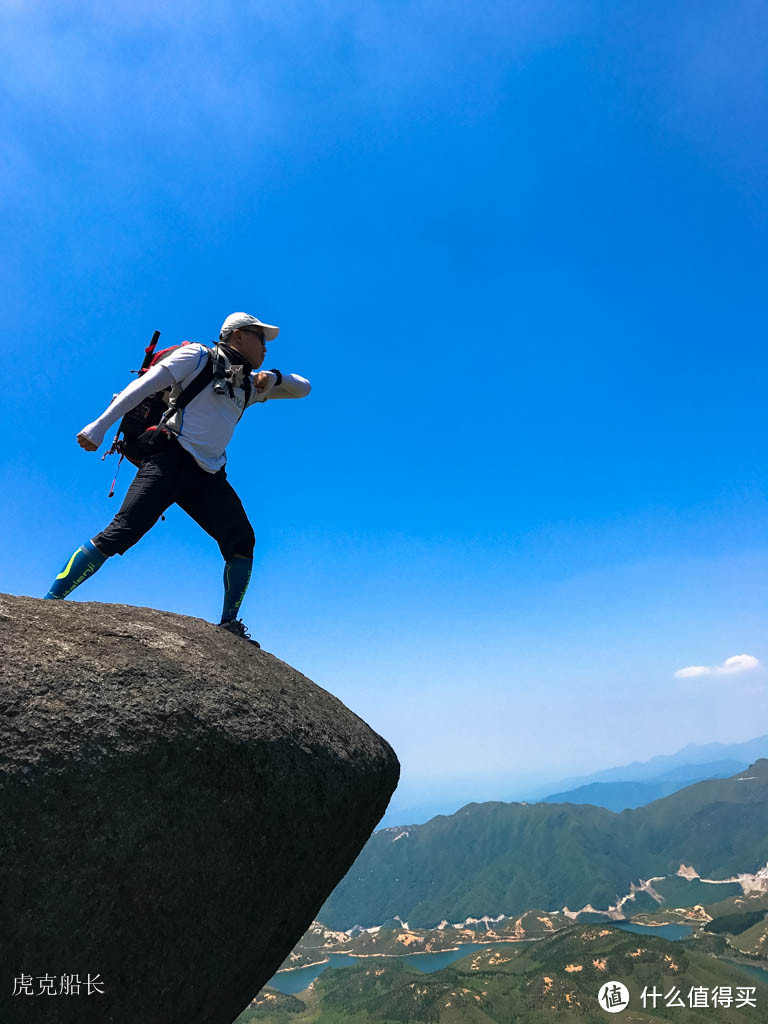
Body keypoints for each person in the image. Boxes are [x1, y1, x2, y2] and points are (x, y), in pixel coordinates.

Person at [44, 311, 311, 646]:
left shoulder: (247, 383)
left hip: (210, 476)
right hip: (169, 460)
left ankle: (229, 624)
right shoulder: (197, 357)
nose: (266, 346)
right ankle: (50, 604)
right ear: (239, 335)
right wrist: (98, 427)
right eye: (261, 337)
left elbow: (304, 388)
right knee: (120, 533)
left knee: (242, 541)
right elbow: (141, 388)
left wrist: (272, 376)